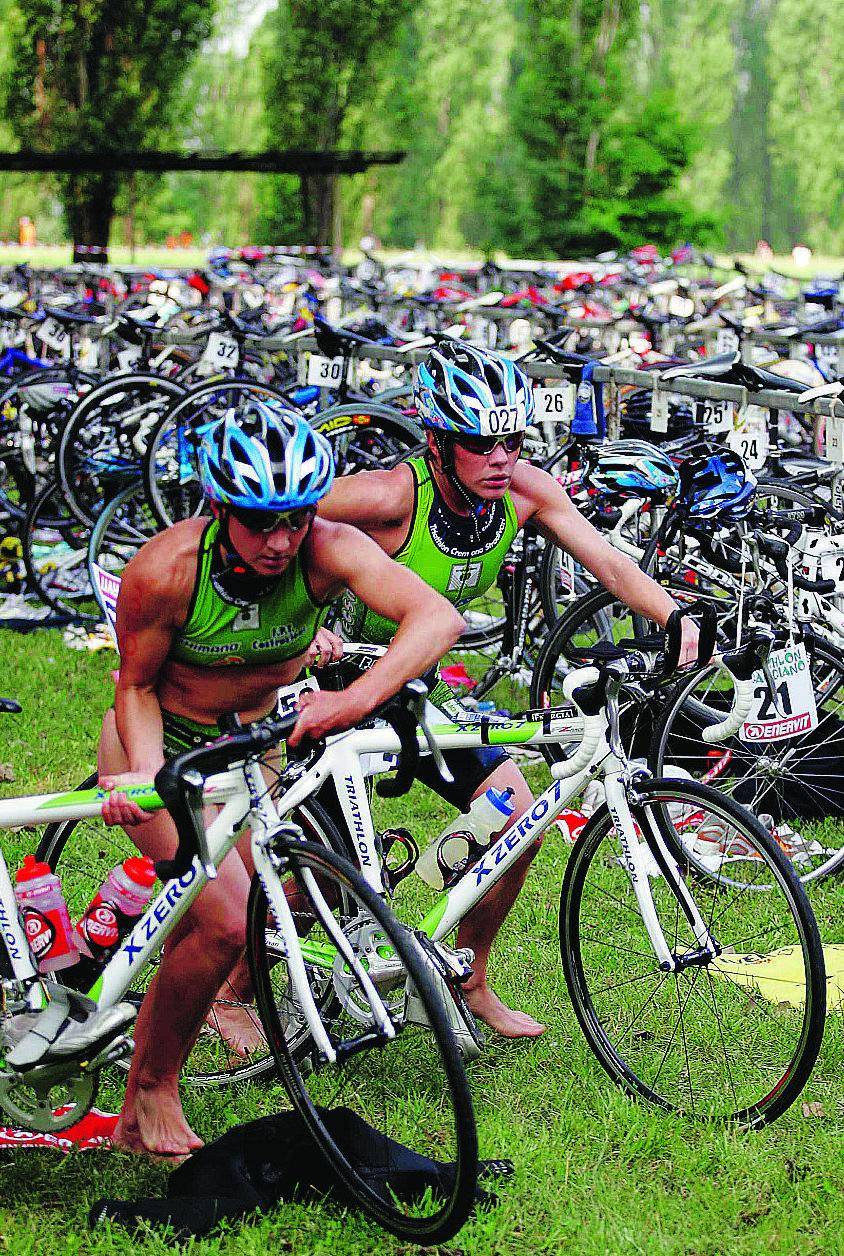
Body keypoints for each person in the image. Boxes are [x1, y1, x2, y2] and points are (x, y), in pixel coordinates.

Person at [97, 399, 465, 1159]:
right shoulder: (166, 571)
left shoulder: (326, 547)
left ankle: (201, 1008)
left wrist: (353, 699)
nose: (280, 540)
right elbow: (133, 686)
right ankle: (150, 1094)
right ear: (221, 508)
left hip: (253, 741)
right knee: (223, 919)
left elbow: (435, 618)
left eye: (294, 518)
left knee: (275, 899)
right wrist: (143, 773)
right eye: (261, 521)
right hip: (167, 743)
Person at [318, 341, 702, 1040]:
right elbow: (268, 524)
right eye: (479, 442)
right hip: (329, 677)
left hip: (413, 683)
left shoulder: (525, 490)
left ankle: (466, 976)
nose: (500, 457)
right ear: (437, 442)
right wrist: (303, 626)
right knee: (313, 872)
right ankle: (233, 993)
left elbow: (609, 564)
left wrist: (672, 614)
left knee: (516, 816)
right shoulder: (388, 496)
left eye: (512, 439)